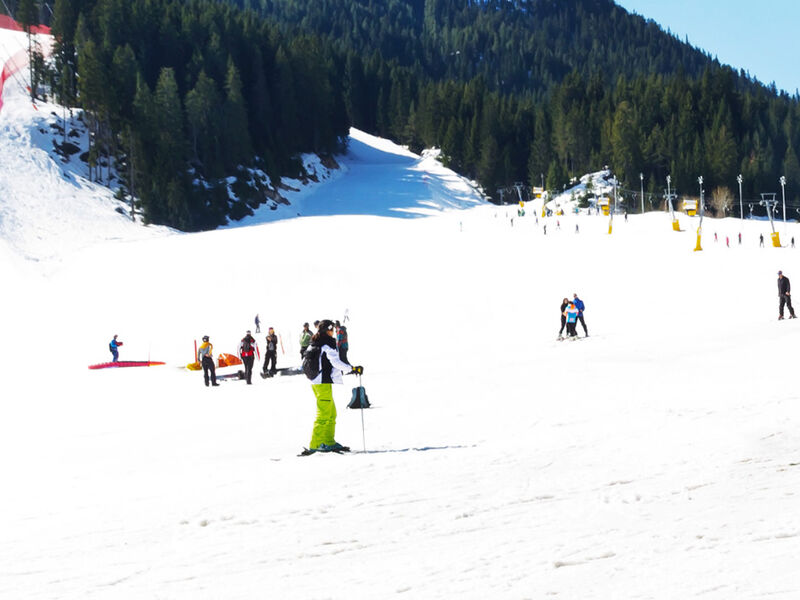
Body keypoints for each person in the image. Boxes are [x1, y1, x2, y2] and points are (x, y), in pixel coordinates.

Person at [305, 319, 363, 453]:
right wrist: (352, 368)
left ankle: (328, 441)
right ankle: (316, 444)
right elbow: (336, 362)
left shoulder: (315, 343)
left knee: (331, 413)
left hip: (319, 382)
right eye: (332, 330)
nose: (333, 332)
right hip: (321, 383)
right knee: (324, 414)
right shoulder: (326, 345)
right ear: (327, 330)